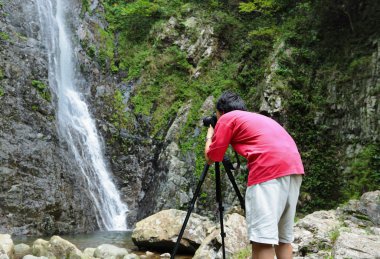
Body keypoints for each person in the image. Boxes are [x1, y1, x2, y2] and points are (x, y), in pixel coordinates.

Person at [204, 91, 304, 259]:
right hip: (294, 169)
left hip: (268, 171)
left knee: (262, 240)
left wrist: (209, 135)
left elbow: (212, 157)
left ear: (221, 111)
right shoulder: (257, 118)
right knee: (283, 239)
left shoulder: (227, 118)